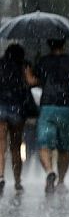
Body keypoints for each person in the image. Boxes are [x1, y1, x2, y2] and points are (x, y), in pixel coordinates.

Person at [33, 38, 69, 193]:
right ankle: (61, 181)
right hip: (66, 109)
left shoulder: (43, 62)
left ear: (49, 44)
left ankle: (49, 171)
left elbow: (33, 81)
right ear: (64, 44)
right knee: (64, 148)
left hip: (47, 107)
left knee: (44, 145)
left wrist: (32, 66)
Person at [0, 44, 34, 193]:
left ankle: (0, 176)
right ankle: (17, 181)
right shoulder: (23, 66)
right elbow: (30, 83)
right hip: (17, 109)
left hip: (1, 106)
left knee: (1, 146)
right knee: (16, 147)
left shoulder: (1, 64)